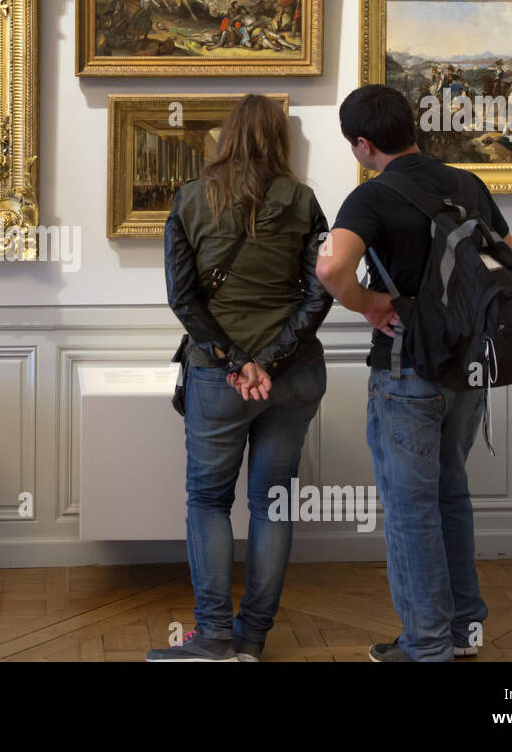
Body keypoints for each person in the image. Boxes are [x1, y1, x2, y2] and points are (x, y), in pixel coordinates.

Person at [315, 83, 512, 662]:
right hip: (468, 370)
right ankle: (462, 632)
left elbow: (331, 268)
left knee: (411, 510)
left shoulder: (371, 198)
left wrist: (370, 304)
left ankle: (426, 644)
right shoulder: (468, 184)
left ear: (362, 145)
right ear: (412, 127)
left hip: (407, 370)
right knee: (452, 495)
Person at [148, 94, 333, 662]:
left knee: (208, 502)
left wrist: (236, 361)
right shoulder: (303, 201)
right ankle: (252, 641)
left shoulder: (189, 199)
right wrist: (269, 360)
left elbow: (183, 298)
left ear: (226, 137)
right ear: (280, 139)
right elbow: (319, 293)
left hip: (218, 380)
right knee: (272, 504)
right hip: (293, 375)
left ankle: (214, 640)